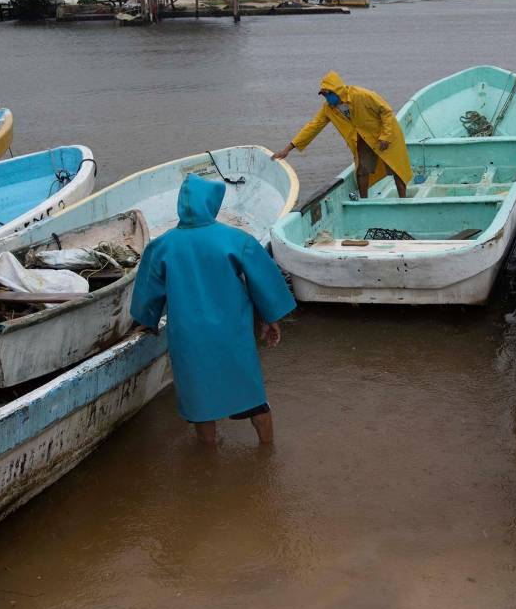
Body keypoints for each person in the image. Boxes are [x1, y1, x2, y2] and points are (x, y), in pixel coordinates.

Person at [130, 174, 296, 446]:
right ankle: (267, 453)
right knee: (252, 397)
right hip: (232, 332)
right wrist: (270, 317)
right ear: (212, 204)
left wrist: (147, 320)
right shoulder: (235, 239)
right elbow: (263, 279)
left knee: (200, 403)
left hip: (188, 337)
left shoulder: (161, 246)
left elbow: (149, 292)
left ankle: (208, 456)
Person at [272, 71, 411, 198]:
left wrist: (386, 136)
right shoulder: (328, 109)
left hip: (386, 135)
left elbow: (386, 111)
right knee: (362, 170)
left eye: (329, 94)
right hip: (363, 139)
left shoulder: (362, 95)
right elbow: (313, 127)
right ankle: (364, 201)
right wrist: (288, 149)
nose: (327, 98)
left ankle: (403, 200)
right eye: (324, 95)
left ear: (337, 90)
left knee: (396, 169)